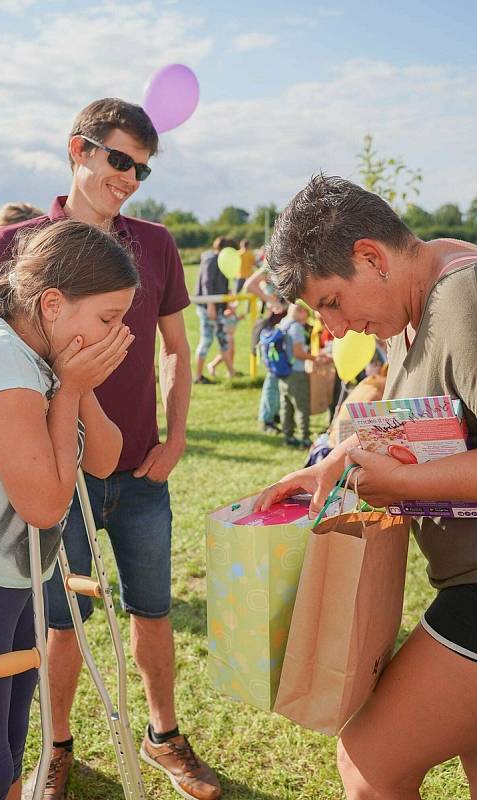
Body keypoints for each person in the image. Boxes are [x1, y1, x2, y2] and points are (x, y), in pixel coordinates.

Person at [0, 98, 220, 800]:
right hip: (56, 469)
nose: (128, 177)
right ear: (77, 150)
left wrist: (175, 440)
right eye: (119, 159)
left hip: (140, 468)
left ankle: (163, 735)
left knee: (152, 611)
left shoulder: (158, 243)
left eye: (140, 169)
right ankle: (57, 750)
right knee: (60, 624)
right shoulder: (16, 243)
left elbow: (176, 350)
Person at [255, 173, 477, 800]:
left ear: (371, 257)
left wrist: (402, 481)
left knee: (367, 766)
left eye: (329, 301)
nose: (333, 329)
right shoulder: (419, 295)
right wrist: (344, 454)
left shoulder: (463, 298)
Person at [0, 219, 138, 800]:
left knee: (1, 749)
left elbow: (104, 459)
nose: (118, 332)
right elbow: (44, 504)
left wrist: (77, 382)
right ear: (52, 304)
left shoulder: (41, 352)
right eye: (108, 318)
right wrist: (69, 391)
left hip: (10, 578)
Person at [244, 264, 285, 433]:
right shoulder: (272, 265)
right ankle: (267, 419)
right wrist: (270, 300)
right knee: (273, 376)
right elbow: (249, 285)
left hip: (285, 326)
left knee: (283, 375)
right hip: (270, 329)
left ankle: (275, 414)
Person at [193, 236, 236, 384]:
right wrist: (211, 305)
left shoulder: (222, 260)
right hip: (207, 306)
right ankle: (198, 376)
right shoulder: (211, 259)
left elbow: (222, 279)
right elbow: (207, 282)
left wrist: (227, 294)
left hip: (217, 306)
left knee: (223, 339)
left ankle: (232, 373)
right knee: (206, 340)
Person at [277, 302, 317, 448]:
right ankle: (305, 438)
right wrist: (315, 358)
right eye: (306, 313)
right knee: (301, 406)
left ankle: (288, 436)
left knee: (286, 405)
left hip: (283, 371)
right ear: (300, 311)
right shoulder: (297, 328)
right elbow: (298, 352)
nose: (307, 317)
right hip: (296, 372)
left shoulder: (283, 323)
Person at [207, 303, 244, 378]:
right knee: (226, 353)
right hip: (226, 336)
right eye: (233, 306)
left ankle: (230, 369)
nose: (235, 307)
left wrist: (239, 318)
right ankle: (214, 365)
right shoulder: (227, 312)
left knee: (231, 352)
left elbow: (234, 321)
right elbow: (225, 317)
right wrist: (230, 312)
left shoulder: (233, 314)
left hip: (231, 336)